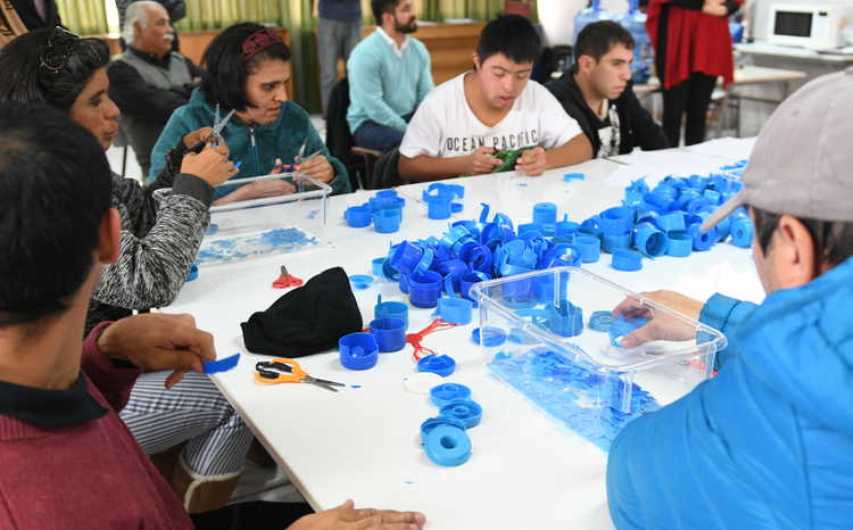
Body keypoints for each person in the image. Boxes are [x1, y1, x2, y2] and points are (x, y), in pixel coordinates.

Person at [0, 104, 428, 530]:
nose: (113, 110)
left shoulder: (36, 377)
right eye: (96, 99)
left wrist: (106, 352)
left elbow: (71, 416)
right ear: (112, 238)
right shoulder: (40, 504)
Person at [0, 27, 257, 515]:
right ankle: (190, 510)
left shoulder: (62, 185)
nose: (114, 111)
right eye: (96, 100)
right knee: (233, 394)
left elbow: (139, 215)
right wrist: (195, 189)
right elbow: (151, 276)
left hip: (81, 371)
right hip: (72, 397)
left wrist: (180, 169)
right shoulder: (54, 208)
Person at [606, 70, 853, 529]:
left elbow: (637, 473)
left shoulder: (769, 453)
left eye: (755, 234)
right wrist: (715, 320)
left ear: (794, 246)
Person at [151, 23, 351, 204]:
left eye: (284, 83)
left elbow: (334, 194)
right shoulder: (189, 123)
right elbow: (158, 206)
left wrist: (330, 173)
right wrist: (242, 196)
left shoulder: (294, 117)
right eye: (269, 86)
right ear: (233, 84)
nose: (282, 96)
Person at [398, 14, 591, 183]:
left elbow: (582, 146)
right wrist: (463, 164)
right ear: (477, 62)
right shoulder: (440, 103)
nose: (510, 87)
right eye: (499, 73)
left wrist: (547, 160)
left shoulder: (536, 95)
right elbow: (407, 166)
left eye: (522, 75)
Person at [547, 21, 668, 158]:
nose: (627, 75)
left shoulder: (621, 89)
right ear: (587, 64)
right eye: (617, 64)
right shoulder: (554, 100)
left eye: (629, 64)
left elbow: (654, 139)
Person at [108, 1, 203, 176]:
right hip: (162, 173)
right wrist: (192, 88)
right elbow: (161, 106)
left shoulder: (180, 60)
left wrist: (173, 93)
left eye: (169, 23)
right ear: (137, 29)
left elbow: (212, 91)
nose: (170, 30)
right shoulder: (119, 71)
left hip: (204, 159)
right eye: (161, 23)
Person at [646, 0, 742, 147]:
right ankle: (665, 164)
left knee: (698, 113)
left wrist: (726, 8)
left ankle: (695, 164)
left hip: (709, 38)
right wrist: (703, 5)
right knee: (672, 115)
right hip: (677, 36)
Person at [346, 0, 433, 153]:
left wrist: (428, 123)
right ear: (388, 18)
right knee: (408, 145)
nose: (413, 14)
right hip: (369, 123)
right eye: (406, 9)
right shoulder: (365, 54)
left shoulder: (418, 49)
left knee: (444, 135)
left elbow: (427, 94)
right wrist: (409, 130)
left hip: (406, 118)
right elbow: (374, 107)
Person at [315, 0, 362, 114]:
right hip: (328, 19)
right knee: (329, 74)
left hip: (354, 18)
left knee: (355, 73)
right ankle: (330, 119)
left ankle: (355, 117)